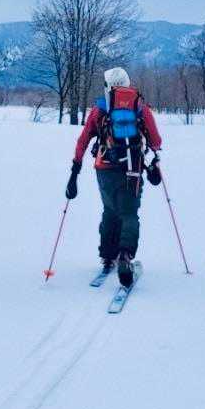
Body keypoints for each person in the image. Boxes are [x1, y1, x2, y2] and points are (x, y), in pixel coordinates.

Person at [65, 67, 163, 287]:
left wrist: (75, 170)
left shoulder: (100, 109)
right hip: (132, 169)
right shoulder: (140, 107)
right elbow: (156, 141)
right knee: (129, 213)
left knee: (110, 210)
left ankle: (108, 256)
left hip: (104, 169)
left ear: (108, 85)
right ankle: (125, 256)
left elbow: (83, 141)